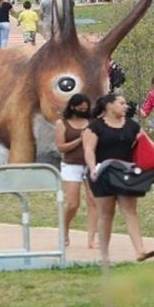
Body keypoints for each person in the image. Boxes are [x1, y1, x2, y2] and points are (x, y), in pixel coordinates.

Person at [82, 93, 154, 262]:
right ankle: (104, 255)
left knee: (130, 211)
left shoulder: (132, 125)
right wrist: (93, 169)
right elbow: (89, 150)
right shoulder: (95, 126)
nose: (125, 106)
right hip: (102, 173)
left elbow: (146, 145)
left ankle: (140, 251)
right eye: (121, 103)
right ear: (109, 105)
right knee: (106, 214)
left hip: (125, 173)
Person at [55, 94, 97, 248]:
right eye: (80, 107)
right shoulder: (62, 123)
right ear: (72, 107)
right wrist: (80, 139)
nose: (83, 110)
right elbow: (61, 147)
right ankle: (64, 229)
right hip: (71, 165)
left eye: (85, 108)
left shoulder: (92, 123)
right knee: (73, 203)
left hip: (90, 165)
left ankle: (92, 239)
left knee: (94, 201)